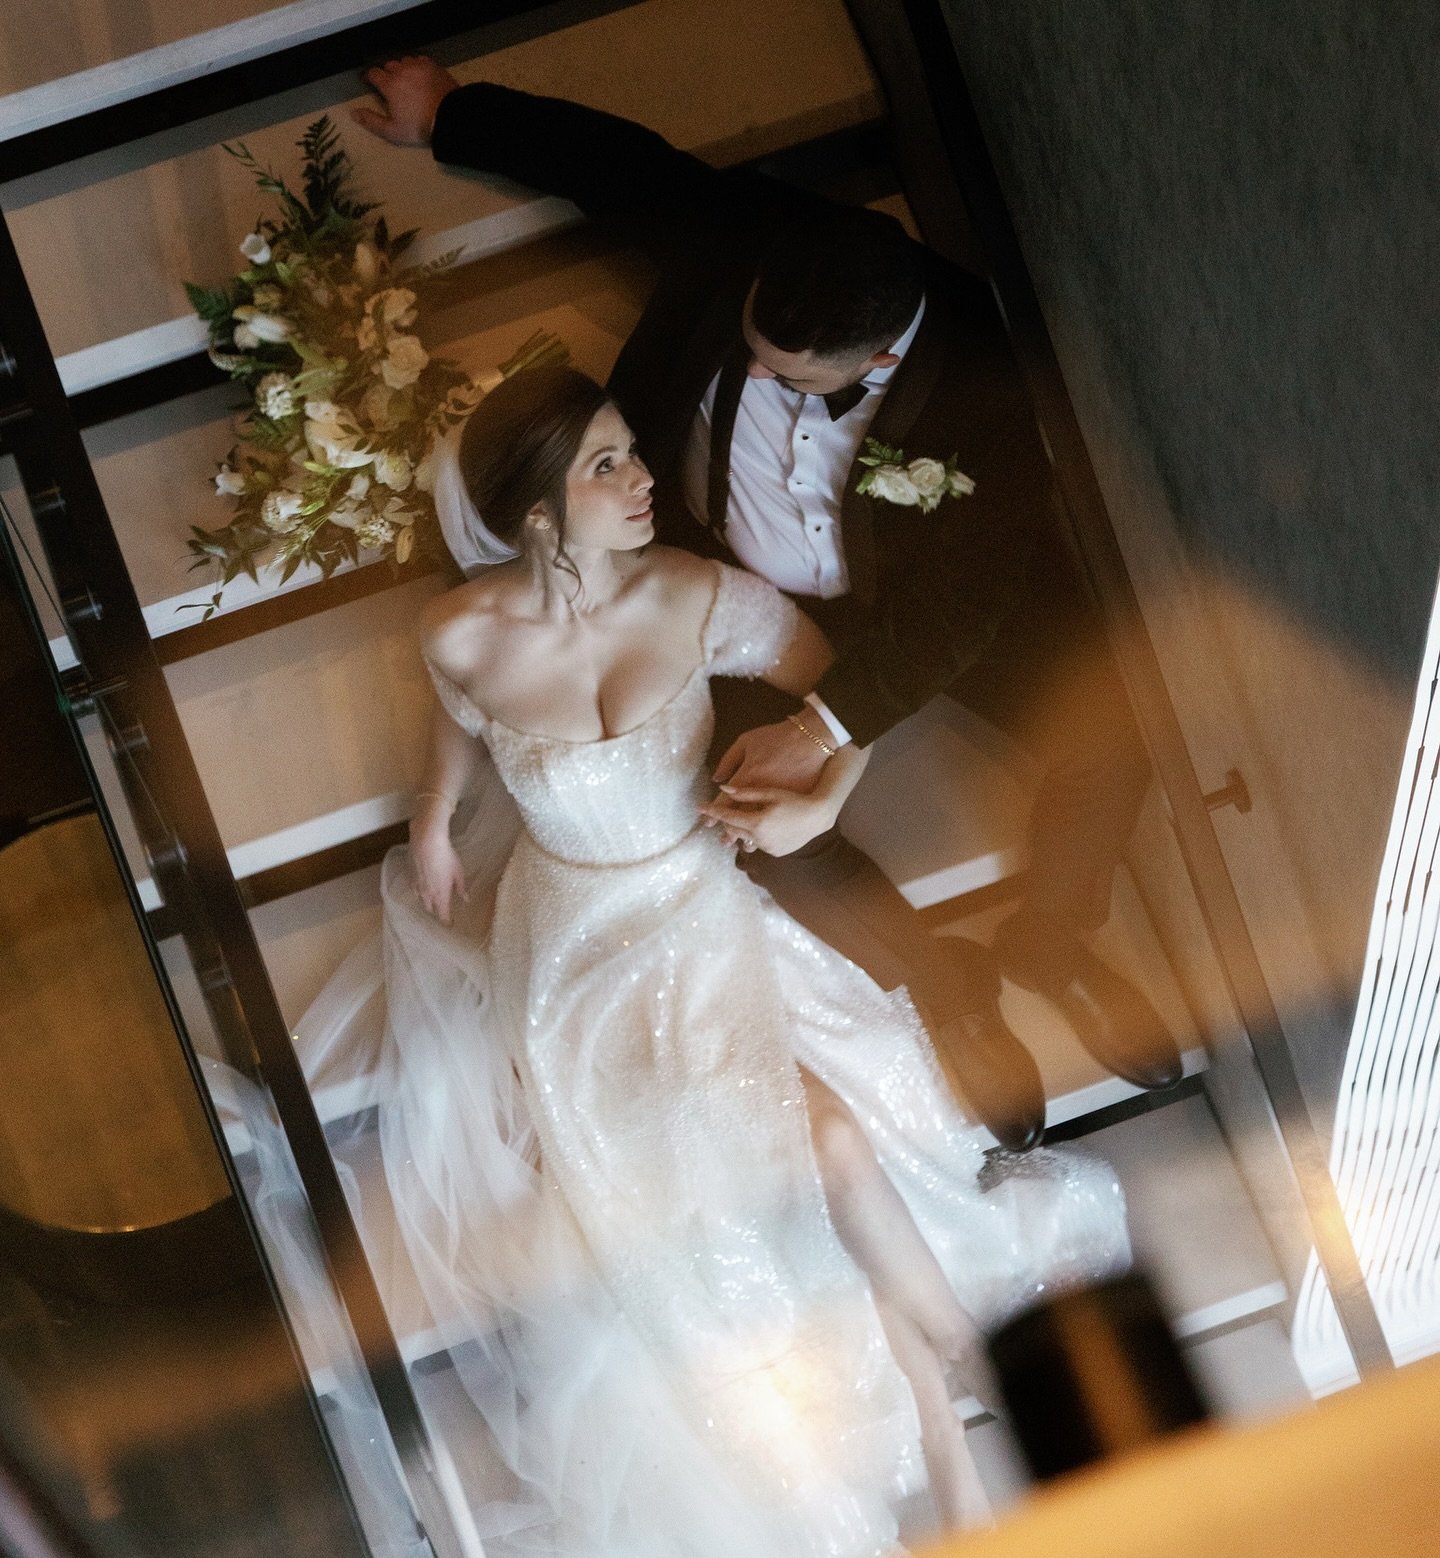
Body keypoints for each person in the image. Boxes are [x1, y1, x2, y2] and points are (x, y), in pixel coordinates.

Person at [298, 362, 1129, 1555]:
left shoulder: (694, 594)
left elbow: (833, 694)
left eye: (633, 451)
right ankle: (944, 1406)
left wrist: (822, 796)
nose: (645, 481)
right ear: (537, 517)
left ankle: (958, 1377)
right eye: (607, 466)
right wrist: (435, 819)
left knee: (836, 1140)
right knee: (745, 1185)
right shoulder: (460, 634)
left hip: (703, 912)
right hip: (572, 954)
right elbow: (460, 721)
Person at [351, 58, 1184, 1154]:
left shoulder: (989, 363)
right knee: (742, 813)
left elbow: (971, 595)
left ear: (878, 355)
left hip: (916, 607)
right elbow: (623, 169)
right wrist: (453, 112)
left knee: (1115, 734)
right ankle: (947, 993)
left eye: (784, 373)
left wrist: (830, 722)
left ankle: (1056, 942)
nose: (750, 366)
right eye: (748, 344)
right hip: (721, 595)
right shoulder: (758, 237)